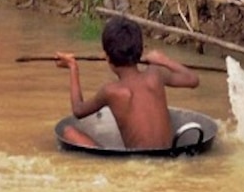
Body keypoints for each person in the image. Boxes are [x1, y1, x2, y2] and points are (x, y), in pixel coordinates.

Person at [55, 17, 199, 150]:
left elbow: (78, 110)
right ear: (140, 51)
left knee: (69, 132)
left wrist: (72, 67)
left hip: (139, 163)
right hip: (168, 155)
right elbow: (193, 80)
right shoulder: (156, 74)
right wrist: (164, 60)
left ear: (108, 58)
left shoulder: (111, 91)